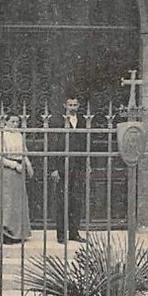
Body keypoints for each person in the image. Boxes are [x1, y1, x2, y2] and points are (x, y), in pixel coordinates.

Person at [0, 113, 33, 243]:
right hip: (5, 171)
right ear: (5, 122)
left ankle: (15, 233)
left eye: (17, 122)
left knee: (16, 202)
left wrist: (28, 165)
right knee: (4, 201)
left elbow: (24, 152)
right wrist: (13, 165)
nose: (15, 124)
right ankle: (2, 232)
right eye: (12, 121)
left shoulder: (19, 135)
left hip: (18, 172)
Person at [50, 96, 87, 243]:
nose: (72, 107)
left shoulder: (83, 122)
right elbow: (52, 145)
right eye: (70, 104)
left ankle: (74, 232)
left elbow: (86, 143)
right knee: (61, 201)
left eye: (75, 105)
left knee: (76, 200)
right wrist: (53, 168)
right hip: (62, 167)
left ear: (78, 106)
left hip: (77, 167)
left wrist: (86, 164)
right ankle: (61, 234)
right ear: (64, 105)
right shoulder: (56, 122)